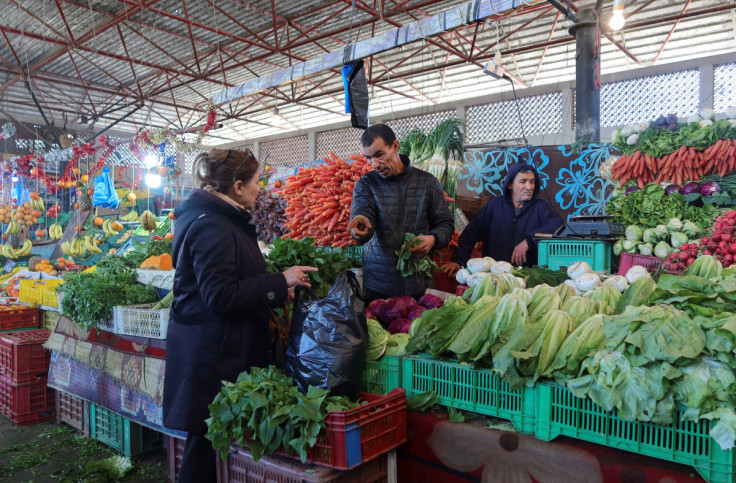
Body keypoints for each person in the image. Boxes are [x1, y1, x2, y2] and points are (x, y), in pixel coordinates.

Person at [163, 148, 317, 483]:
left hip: (216, 346)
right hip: (212, 354)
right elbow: (220, 296)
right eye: (256, 182)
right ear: (236, 186)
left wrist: (276, 291)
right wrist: (280, 280)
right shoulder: (213, 226)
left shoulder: (216, 217)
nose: (259, 188)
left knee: (208, 443)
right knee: (202, 449)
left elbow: (231, 283)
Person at [349, 124, 455, 302]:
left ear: (395, 147)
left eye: (379, 155)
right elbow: (362, 211)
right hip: (378, 286)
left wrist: (433, 239)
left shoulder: (428, 182)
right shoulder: (366, 184)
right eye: (369, 158)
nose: (374, 164)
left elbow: (446, 224)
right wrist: (359, 225)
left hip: (418, 284)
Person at [443, 162, 563, 278]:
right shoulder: (494, 207)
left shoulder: (541, 207)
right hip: (495, 277)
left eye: (532, 182)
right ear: (510, 185)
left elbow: (557, 227)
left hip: (527, 277)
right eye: (523, 182)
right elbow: (470, 234)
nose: (529, 187)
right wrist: (458, 261)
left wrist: (529, 240)